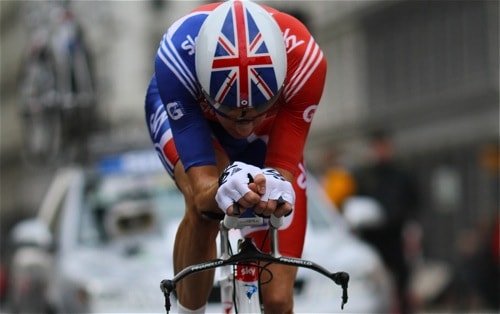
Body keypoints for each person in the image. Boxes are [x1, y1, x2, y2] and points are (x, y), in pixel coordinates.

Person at [144, 1, 327, 313]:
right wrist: (221, 183)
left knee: (279, 300)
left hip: (270, 132)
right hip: (198, 122)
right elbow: (204, 190)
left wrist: (275, 184)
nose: (245, 122)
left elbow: (282, 166)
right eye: (232, 110)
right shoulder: (176, 60)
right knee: (205, 211)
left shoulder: (306, 64)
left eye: (258, 108)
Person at [353, 130, 419, 314]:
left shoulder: (402, 174)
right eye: (377, 147)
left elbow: (414, 201)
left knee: (402, 276)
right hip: (371, 237)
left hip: (395, 234)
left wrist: (402, 217)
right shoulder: (364, 176)